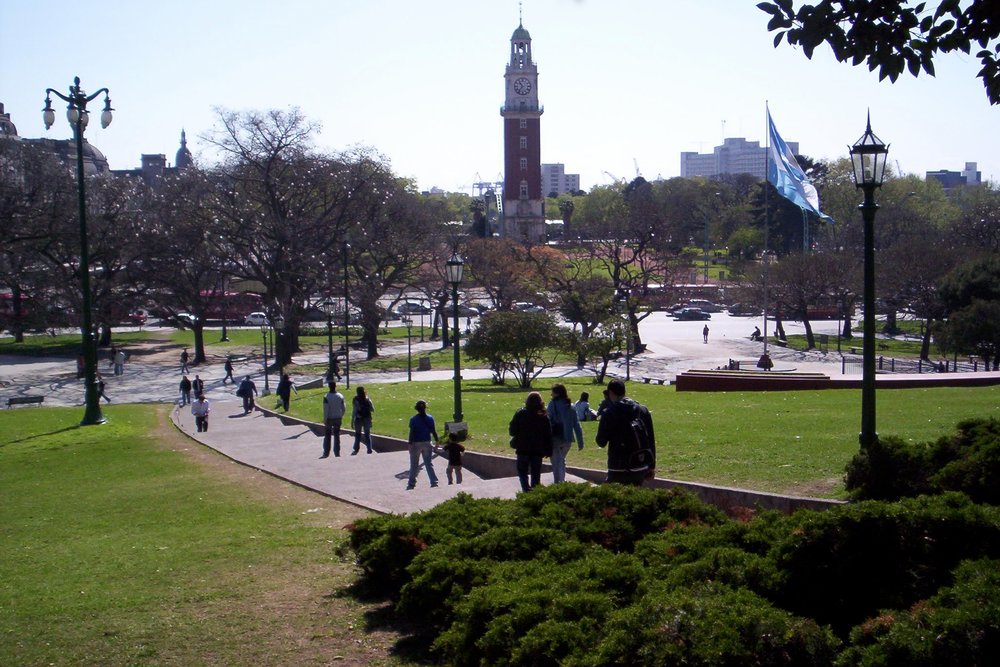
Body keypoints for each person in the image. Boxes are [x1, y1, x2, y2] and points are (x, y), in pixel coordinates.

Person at [595, 379, 656, 486]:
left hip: (618, 466)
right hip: (640, 463)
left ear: (610, 393)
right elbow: (650, 438)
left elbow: (601, 442)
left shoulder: (609, 413)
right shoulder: (642, 410)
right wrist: (651, 465)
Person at [508, 391, 553, 492]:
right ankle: (535, 493)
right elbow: (548, 435)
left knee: (522, 473)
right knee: (536, 474)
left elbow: (512, 431)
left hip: (523, 448)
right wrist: (548, 450)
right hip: (537, 450)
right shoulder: (543, 416)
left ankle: (525, 490)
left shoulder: (521, 413)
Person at [547, 383, 584, 484]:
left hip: (555, 438)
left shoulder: (552, 404)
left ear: (557, 394)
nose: (551, 395)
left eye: (552, 393)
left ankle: (558, 482)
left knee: (556, 462)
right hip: (567, 439)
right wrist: (580, 442)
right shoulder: (570, 406)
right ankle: (561, 481)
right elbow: (577, 425)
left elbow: (547, 420)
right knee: (562, 460)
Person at [406, 400, 440, 489]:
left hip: (416, 443)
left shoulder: (413, 419)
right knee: (428, 463)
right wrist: (437, 441)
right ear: (425, 408)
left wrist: (410, 444)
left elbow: (412, 433)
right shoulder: (430, 418)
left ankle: (411, 483)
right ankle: (434, 482)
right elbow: (433, 431)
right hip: (427, 442)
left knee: (414, 464)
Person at [321, 381, 346, 458]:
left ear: (329, 386)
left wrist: (325, 420)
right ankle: (337, 452)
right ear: (335, 386)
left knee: (327, 436)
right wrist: (341, 415)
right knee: (337, 436)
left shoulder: (326, 397)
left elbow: (326, 410)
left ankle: (326, 452)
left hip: (329, 418)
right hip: (338, 418)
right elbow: (344, 408)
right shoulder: (340, 396)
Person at [351, 386, 375, 454]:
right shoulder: (367, 399)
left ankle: (356, 449)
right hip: (367, 418)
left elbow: (354, 411)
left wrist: (352, 420)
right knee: (367, 434)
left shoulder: (355, 399)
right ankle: (369, 449)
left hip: (358, 418)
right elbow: (373, 409)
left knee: (357, 434)